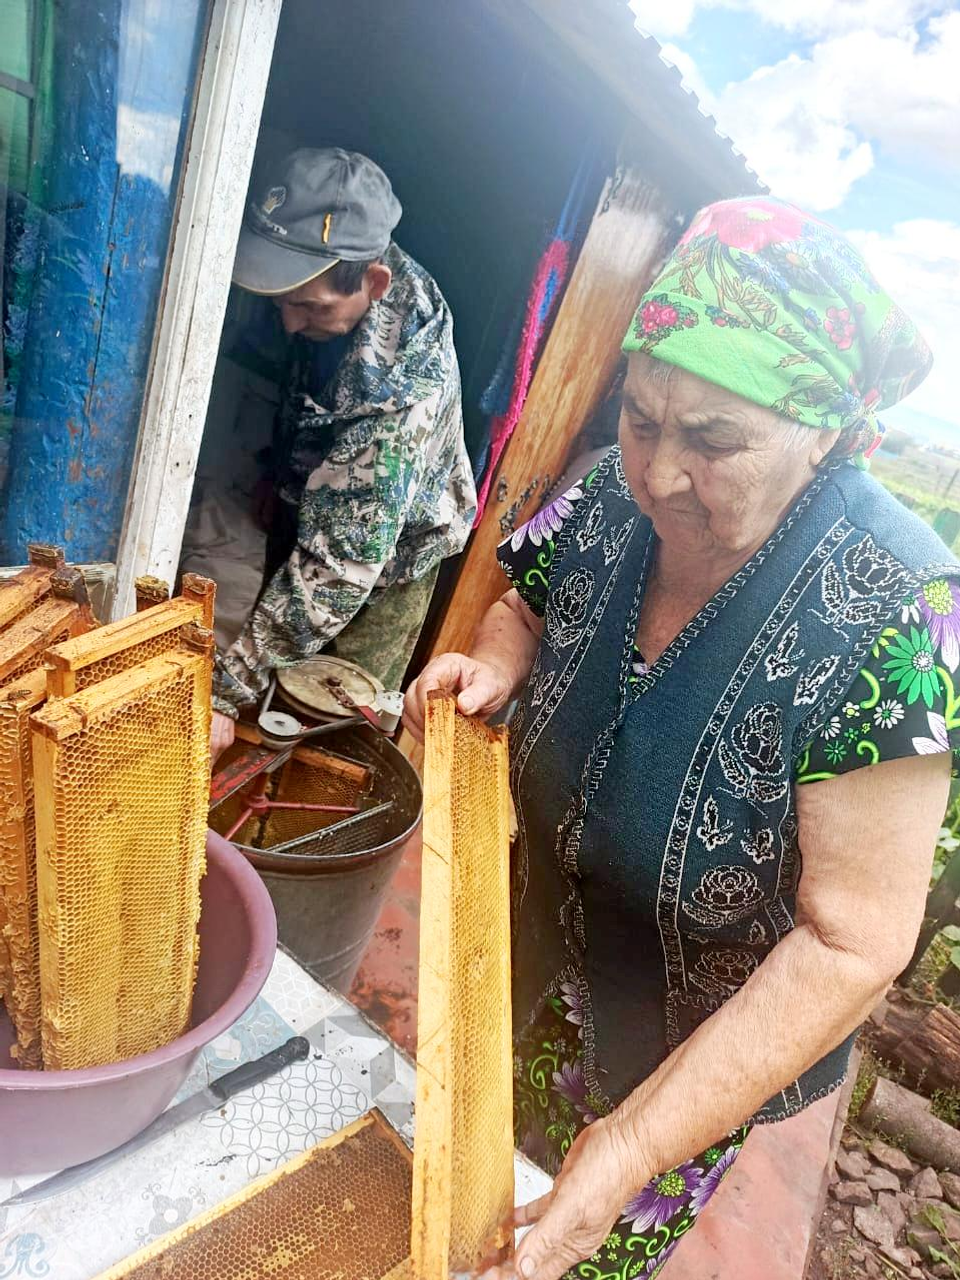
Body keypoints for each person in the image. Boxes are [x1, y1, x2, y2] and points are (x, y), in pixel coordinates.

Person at [404, 196, 958, 1280]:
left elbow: (855, 941)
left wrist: (634, 1143)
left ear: (826, 433)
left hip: (683, 1051)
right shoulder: (616, 486)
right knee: (464, 1192)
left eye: (714, 440)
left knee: (566, 1244)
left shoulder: (897, 607)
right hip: (524, 953)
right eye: (642, 414)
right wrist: (497, 665)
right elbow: (526, 598)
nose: (659, 471)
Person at [210, 148, 476, 756]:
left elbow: (338, 570)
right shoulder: (328, 275)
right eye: (282, 300)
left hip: (389, 560)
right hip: (326, 501)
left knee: (332, 732)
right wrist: (282, 474)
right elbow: (301, 377)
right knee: (273, 664)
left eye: (309, 307)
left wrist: (224, 694)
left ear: (376, 284)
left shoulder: (404, 391)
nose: (289, 323)